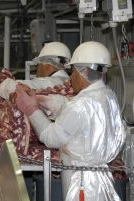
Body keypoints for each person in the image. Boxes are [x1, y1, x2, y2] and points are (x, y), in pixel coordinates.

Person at [16, 41, 125, 201]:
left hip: (81, 181)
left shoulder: (81, 105)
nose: (71, 77)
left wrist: (31, 110)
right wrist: (53, 103)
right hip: (99, 177)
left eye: (74, 71)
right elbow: (85, 118)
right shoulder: (108, 95)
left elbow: (51, 137)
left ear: (85, 71)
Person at [0, 41, 71, 100]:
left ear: (46, 65)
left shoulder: (51, 82)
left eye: (38, 64)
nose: (37, 69)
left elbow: (12, 87)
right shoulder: (68, 82)